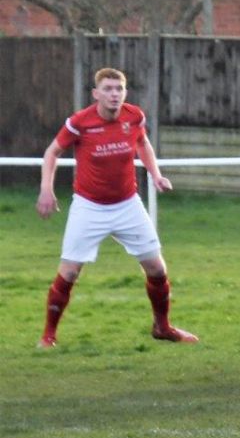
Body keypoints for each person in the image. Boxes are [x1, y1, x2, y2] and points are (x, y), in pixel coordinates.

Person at [36, 67, 198, 348]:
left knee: (157, 269)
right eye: (108, 89)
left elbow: (143, 144)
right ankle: (48, 336)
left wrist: (156, 174)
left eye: (119, 89)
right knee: (70, 272)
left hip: (127, 205)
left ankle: (163, 327)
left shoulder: (134, 116)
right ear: (96, 94)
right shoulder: (80, 122)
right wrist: (46, 190)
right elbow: (52, 151)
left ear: (125, 92)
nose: (114, 94)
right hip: (89, 207)